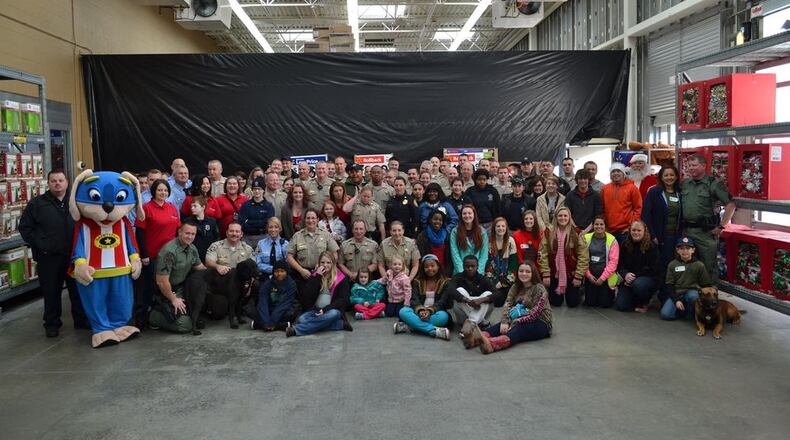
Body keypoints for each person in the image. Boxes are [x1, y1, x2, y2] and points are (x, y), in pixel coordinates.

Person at [19, 169, 89, 337]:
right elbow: (24, 227)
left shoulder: (76, 202)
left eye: (60, 180)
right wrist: (40, 243)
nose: (57, 183)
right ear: (48, 183)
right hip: (49, 257)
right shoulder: (37, 204)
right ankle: (52, 324)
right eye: (53, 181)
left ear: (67, 182)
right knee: (51, 292)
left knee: (77, 290)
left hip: (74, 257)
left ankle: (81, 321)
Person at [467, 261, 552, 354]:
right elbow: (508, 304)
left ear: (533, 273)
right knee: (500, 326)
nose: (524, 274)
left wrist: (514, 322)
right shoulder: (515, 287)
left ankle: (492, 345)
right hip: (518, 317)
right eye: (521, 271)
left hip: (540, 322)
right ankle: (474, 339)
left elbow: (535, 313)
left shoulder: (539, 289)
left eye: (528, 271)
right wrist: (505, 321)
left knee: (519, 329)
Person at [680, 153, 735, 281]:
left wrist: (722, 225)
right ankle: (693, 297)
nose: (691, 168)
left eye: (694, 165)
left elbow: (731, 205)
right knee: (689, 267)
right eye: (689, 166)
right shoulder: (685, 184)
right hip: (687, 232)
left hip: (706, 233)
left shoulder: (713, 184)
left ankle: (710, 297)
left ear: (704, 166)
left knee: (708, 268)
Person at [134, 178, 181, 328]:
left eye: (165, 190)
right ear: (153, 191)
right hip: (152, 255)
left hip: (169, 256)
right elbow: (139, 233)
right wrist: (144, 255)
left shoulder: (172, 208)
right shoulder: (146, 208)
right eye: (160, 190)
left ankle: (159, 317)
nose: (163, 192)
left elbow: (177, 232)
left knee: (164, 287)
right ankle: (141, 319)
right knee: (147, 288)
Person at [149, 221, 207, 334]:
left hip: (183, 287)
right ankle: (154, 317)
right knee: (185, 325)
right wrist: (173, 299)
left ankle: (181, 313)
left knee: (199, 316)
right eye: (187, 233)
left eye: (193, 234)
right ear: (180, 232)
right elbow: (161, 282)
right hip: (167, 291)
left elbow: (201, 268)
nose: (190, 237)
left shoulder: (192, 248)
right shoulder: (169, 252)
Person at [286, 252, 352, 337]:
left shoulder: (341, 278)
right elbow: (307, 295)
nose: (325, 265)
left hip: (332, 310)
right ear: (319, 263)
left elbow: (343, 300)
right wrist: (317, 276)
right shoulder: (315, 276)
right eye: (322, 262)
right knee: (302, 319)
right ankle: (339, 325)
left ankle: (296, 330)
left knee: (333, 314)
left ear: (333, 263)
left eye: (328, 262)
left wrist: (325, 309)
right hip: (316, 310)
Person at [203, 222, 255, 327]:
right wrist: (217, 266)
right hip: (220, 288)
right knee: (219, 313)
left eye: (237, 231)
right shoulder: (217, 246)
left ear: (241, 234)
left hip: (239, 287)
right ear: (226, 233)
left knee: (257, 285)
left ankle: (241, 309)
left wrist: (250, 285)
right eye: (231, 231)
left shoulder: (247, 248)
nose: (234, 234)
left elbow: (252, 269)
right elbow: (208, 261)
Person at [642, 165, 682, 300]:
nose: (669, 178)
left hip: (676, 236)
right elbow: (646, 215)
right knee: (662, 266)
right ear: (661, 177)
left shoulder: (680, 192)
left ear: (676, 177)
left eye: (672, 175)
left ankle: (671, 294)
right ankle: (663, 296)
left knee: (674, 265)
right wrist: (652, 235)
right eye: (666, 175)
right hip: (660, 236)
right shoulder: (654, 192)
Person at [537, 207, 588, 308]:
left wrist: (578, 276)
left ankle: (580, 290)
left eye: (565, 216)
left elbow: (583, 256)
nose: (563, 218)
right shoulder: (548, 232)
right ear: (556, 217)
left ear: (569, 217)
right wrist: (545, 274)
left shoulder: (577, 232)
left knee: (572, 303)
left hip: (571, 274)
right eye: (560, 215)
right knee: (556, 303)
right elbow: (542, 254)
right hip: (554, 273)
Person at [394, 254, 453, 340]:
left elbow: (443, 302)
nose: (429, 269)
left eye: (432, 266)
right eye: (426, 267)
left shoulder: (446, 282)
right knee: (403, 311)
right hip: (418, 312)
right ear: (423, 269)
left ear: (438, 266)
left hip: (435, 312)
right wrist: (421, 311)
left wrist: (429, 311)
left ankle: (410, 326)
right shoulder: (417, 282)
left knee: (443, 316)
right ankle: (434, 330)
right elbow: (414, 300)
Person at [286, 208, 340, 288]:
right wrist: (301, 270)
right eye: (308, 218)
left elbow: (335, 253)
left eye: (313, 218)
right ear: (304, 220)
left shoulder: (325, 235)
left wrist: (326, 266)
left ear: (318, 220)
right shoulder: (297, 236)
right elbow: (289, 257)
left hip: (322, 274)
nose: (310, 221)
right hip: (303, 275)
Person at [661, 237, 711, 321]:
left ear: (693, 250)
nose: (685, 251)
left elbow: (706, 284)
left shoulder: (699, 265)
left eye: (688, 248)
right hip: (677, 293)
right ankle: (682, 312)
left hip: (692, 292)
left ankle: (691, 312)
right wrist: (676, 300)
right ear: (677, 250)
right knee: (665, 315)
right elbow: (669, 285)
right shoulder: (672, 264)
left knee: (693, 296)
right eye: (682, 248)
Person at [615, 220, 660, 313]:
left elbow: (653, 269)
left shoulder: (651, 246)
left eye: (639, 230)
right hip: (629, 278)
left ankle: (645, 302)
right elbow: (620, 264)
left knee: (639, 285)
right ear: (630, 231)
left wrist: (633, 278)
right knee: (622, 306)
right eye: (633, 230)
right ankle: (635, 299)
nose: (636, 232)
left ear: (644, 231)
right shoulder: (624, 244)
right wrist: (626, 275)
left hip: (646, 279)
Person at [451, 255, 497, 344]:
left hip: (478, 309)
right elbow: (450, 290)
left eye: (473, 266)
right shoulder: (457, 277)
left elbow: (498, 294)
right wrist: (467, 300)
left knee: (488, 294)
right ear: (463, 266)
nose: (470, 269)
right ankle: (477, 323)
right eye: (467, 266)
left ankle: (471, 323)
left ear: (477, 267)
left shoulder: (483, 279)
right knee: (459, 291)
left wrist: (481, 300)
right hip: (464, 316)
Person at [583, 216, 620, 308]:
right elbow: (582, 259)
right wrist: (588, 275)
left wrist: (602, 278)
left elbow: (613, 263)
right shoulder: (586, 238)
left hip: (606, 278)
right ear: (593, 226)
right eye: (596, 224)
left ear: (605, 226)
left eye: (601, 224)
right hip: (591, 276)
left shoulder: (612, 240)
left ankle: (611, 293)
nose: (599, 226)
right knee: (590, 303)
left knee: (605, 304)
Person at [601, 162, 642, 242]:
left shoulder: (632, 188)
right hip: (608, 230)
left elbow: (638, 208)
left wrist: (631, 226)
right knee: (610, 254)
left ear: (623, 174)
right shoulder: (605, 188)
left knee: (625, 254)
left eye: (618, 171)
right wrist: (603, 225)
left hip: (625, 231)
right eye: (613, 171)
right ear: (610, 175)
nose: (615, 173)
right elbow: (602, 208)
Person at [251, 260, 296, 331]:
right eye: (276, 271)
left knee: (290, 314)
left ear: (287, 272)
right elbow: (263, 302)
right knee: (251, 310)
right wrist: (266, 321)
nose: (279, 274)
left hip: (282, 310)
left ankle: (260, 324)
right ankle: (281, 326)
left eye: (282, 271)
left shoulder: (291, 284)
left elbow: (286, 303)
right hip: (270, 308)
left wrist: (272, 321)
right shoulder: (267, 283)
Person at [484, 217, 518, 307]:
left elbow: (513, 265)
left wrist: (504, 283)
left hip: (507, 280)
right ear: (494, 228)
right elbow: (488, 266)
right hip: (493, 280)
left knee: (510, 300)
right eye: (498, 226)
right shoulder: (489, 242)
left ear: (506, 228)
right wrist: (495, 282)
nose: (501, 228)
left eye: (503, 226)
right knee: (497, 302)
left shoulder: (511, 241)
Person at [449, 204, 489, 275]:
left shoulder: (482, 232)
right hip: (460, 273)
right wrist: (462, 272)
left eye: (470, 213)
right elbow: (455, 254)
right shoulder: (455, 232)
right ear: (461, 216)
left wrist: (477, 273)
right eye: (464, 213)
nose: (467, 216)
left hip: (477, 273)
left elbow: (484, 255)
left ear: (474, 215)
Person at [237, 177, 275, 247]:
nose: (257, 191)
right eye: (255, 189)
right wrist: (260, 222)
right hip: (247, 238)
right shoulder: (246, 205)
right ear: (252, 190)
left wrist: (249, 222)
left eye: (259, 189)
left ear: (263, 190)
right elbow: (241, 222)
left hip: (263, 237)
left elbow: (268, 224)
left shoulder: (268, 206)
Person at [564, 169, 603, 233]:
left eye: (585, 179)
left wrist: (586, 230)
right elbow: (567, 214)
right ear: (576, 180)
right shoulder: (570, 195)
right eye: (580, 179)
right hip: (574, 231)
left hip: (592, 231)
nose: (583, 181)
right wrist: (576, 228)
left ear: (588, 180)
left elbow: (598, 215)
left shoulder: (596, 195)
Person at [416, 208, 452, 273]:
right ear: (430, 220)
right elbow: (421, 256)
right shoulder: (423, 236)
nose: (438, 222)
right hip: (428, 271)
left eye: (440, 220)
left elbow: (449, 257)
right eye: (435, 219)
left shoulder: (447, 236)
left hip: (445, 271)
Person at [186, 197, 219, 263]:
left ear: (203, 207)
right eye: (191, 206)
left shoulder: (211, 221)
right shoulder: (188, 222)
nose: (192, 208)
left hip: (208, 255)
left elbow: (216, 238)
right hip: (192, 256)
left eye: (195, 206)